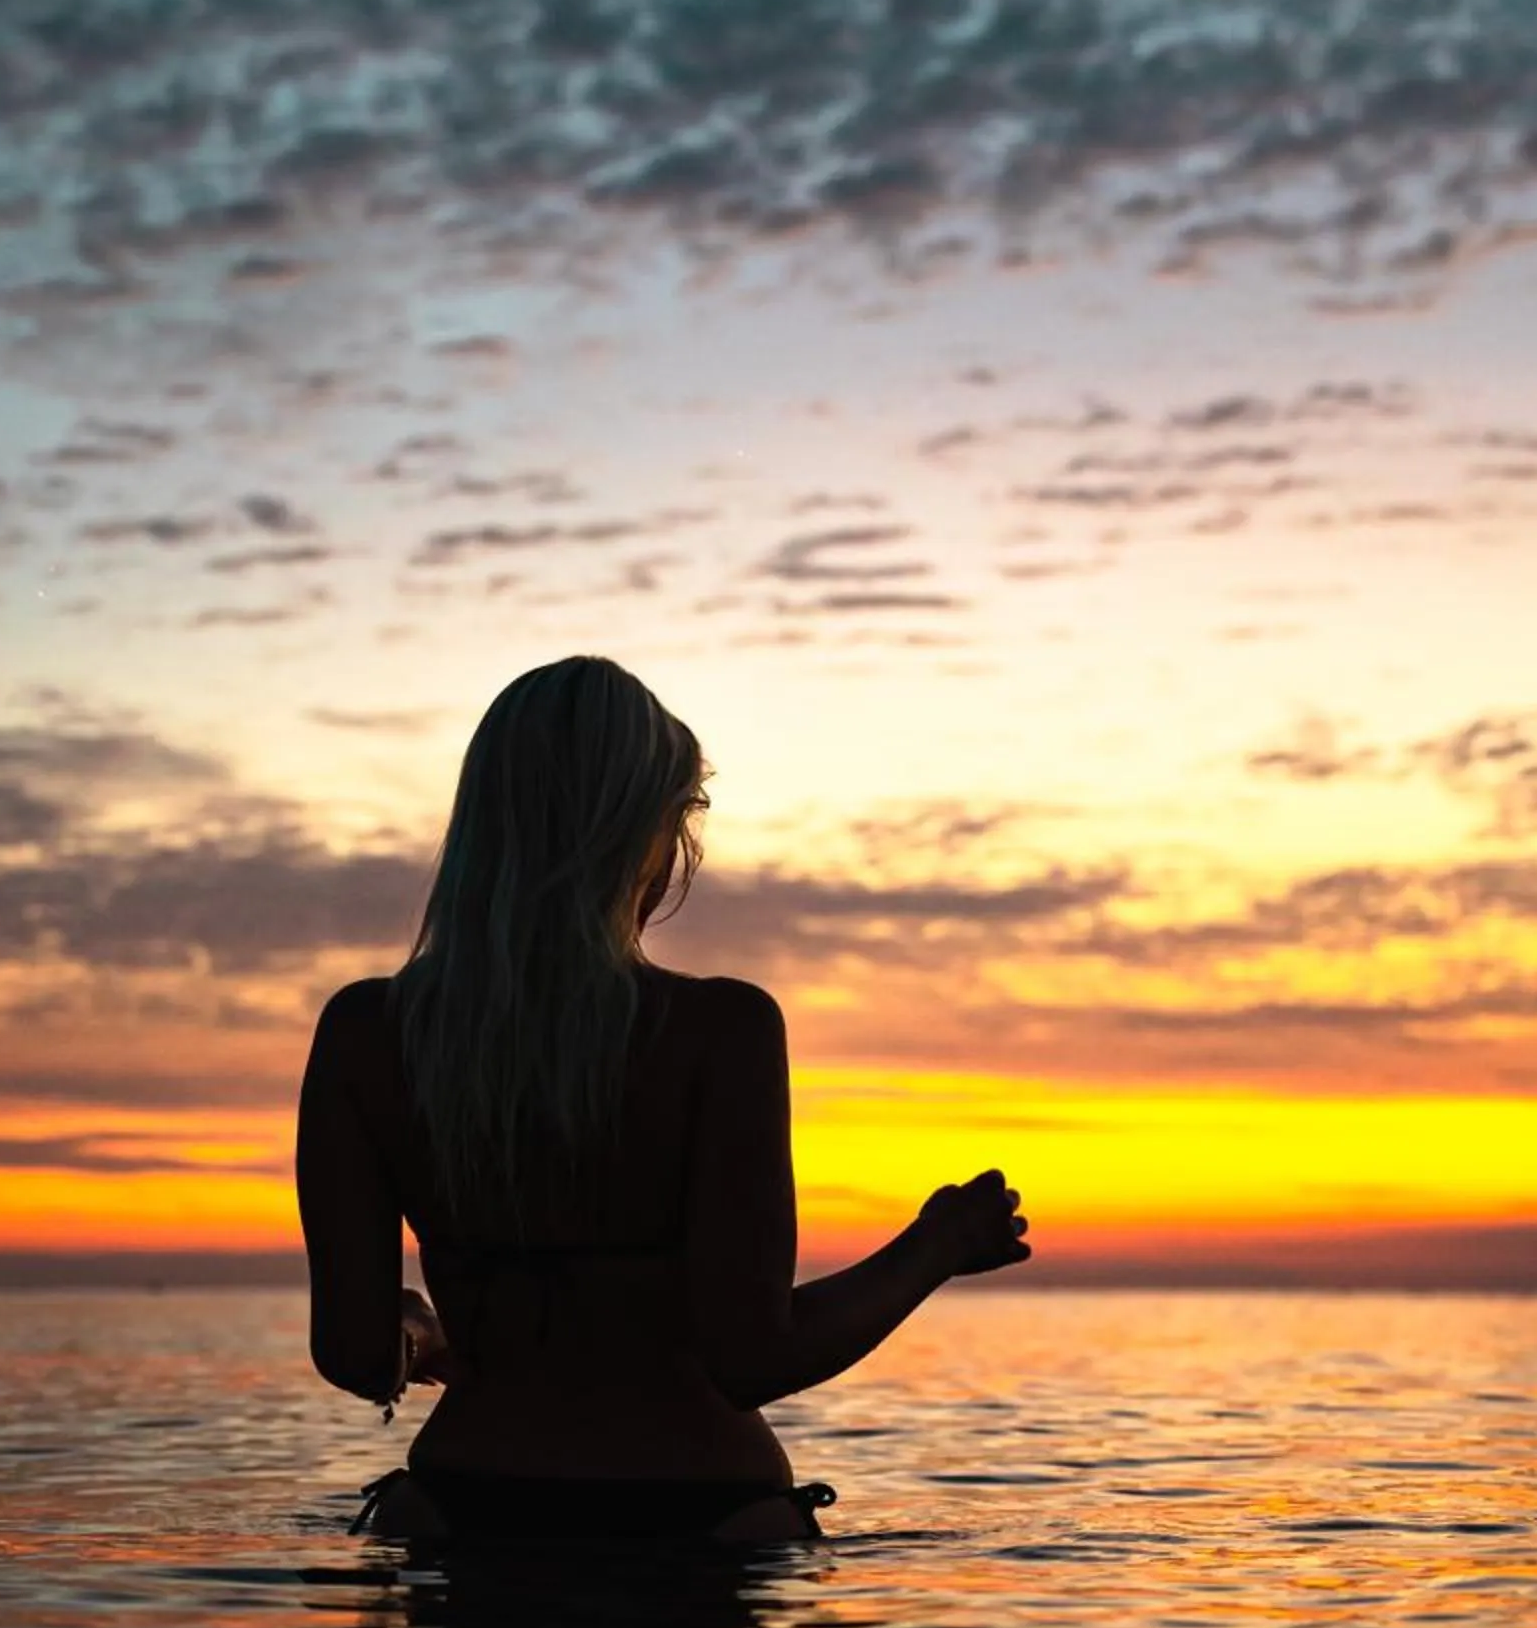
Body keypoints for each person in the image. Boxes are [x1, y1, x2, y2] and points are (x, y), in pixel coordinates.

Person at [295, 654, 1030, 1545]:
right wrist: (936, 1246)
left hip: (461, 1508)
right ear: (635, 831)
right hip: (697, 1514)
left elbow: (353, 1354)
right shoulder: (720, 1030)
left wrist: (418, 1329)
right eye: (678, 816)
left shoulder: (367, 1031)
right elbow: (755, 1356)